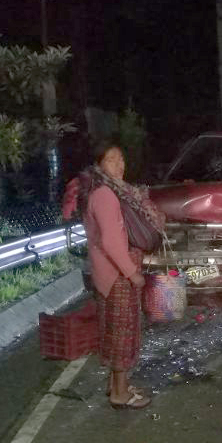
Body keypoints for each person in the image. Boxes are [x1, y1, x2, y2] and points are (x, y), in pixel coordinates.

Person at [79, 142, 162, 410]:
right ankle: (119, 393)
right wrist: (132, 274)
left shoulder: (106, 191)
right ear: (99, 164)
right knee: (122, 334)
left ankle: (118, 385)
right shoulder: (105, 194)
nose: (120, 165)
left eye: (121, 159)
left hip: (112, 274)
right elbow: (112, 242)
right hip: (116, 276)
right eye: (112, 160)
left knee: (117, 331)